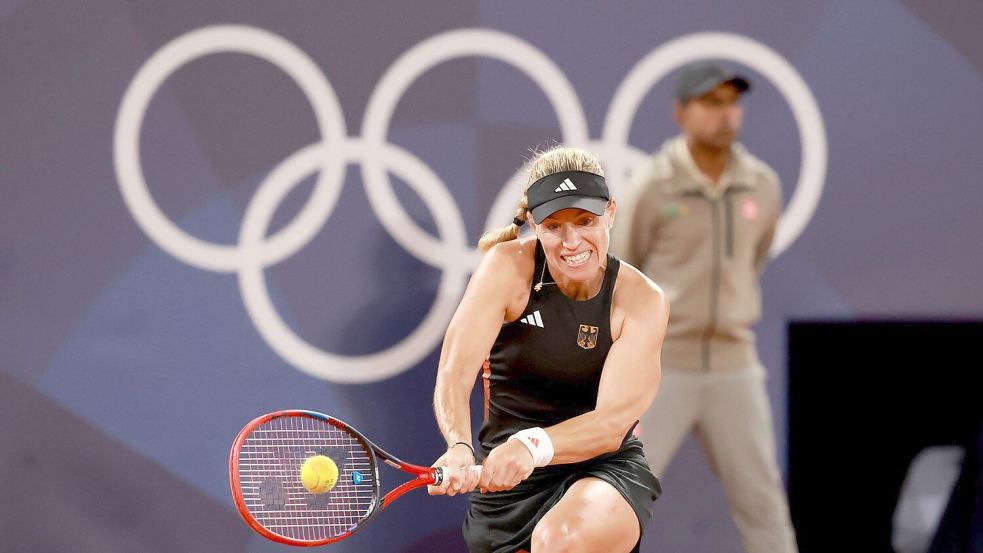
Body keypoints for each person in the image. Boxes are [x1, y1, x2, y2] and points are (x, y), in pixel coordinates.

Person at [428, 146, 668, 553]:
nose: (572, 241)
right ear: (535, 225)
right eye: (554, 226)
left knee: (561, 540)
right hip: (506, 483)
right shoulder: (506, 268)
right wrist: (459, 446)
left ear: (610, 212)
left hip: (602, 473)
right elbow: (455, 370)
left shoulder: (642, 299)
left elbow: (611, 424)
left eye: (586, 221)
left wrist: (530, 445)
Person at [615, 60, 798, 553]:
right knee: (617, 502)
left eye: (732, 103)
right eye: (711, 103)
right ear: (681, 112)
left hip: (734, 367)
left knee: (764, 505)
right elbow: (623, 272)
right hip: (662, 366)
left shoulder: (762, 184)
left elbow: (753, 260)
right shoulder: (653, 184)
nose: (726, 114)